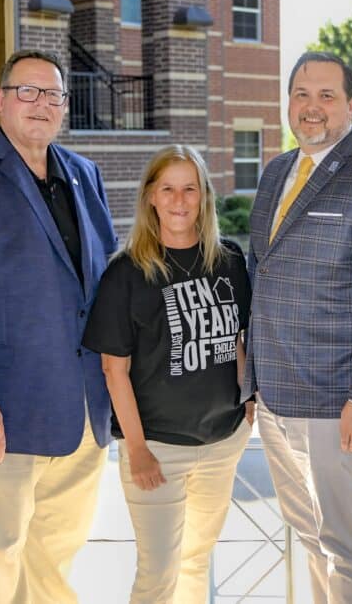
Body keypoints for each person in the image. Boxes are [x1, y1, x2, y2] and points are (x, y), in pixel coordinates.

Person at [0, 50, 118, 603]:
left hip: (79, 414)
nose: (41, 105)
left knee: (53, 564)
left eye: (53, 94)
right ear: (1, 100)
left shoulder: (85, 175)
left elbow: (101, 288)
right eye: (27, 92)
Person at [244, 51, 352, 603]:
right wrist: (252, 385)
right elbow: (261, 271)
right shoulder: (276, 172)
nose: (311, 107)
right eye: (301, 94)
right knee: (310, 537)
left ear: (350, 103)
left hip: (339, 400)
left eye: (325, 95)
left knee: (349, 544)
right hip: (275, 397)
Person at [82, 145, 252, 603]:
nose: (179, 201)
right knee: (158, 573)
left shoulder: (230, 260)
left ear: (204, 197)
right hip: (157, 448)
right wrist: (136, 449)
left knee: (196, 560)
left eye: (190, 189)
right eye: (168, 189)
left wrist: (248, 402)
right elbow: (113, 370)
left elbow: (239, 339)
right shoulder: (127, 273)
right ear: (151, 197)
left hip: (222, 442)